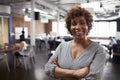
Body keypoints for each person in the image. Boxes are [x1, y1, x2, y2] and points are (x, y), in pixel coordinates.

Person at [44, 6, 106, 80]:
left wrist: (59, 71)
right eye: (74, 24)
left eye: (82, 23)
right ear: (69, 27)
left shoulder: (98, 50)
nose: (78, 27)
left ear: (88, 26)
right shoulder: (62, 46)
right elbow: (47, 68)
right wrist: (77, 73)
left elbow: (93, 78)